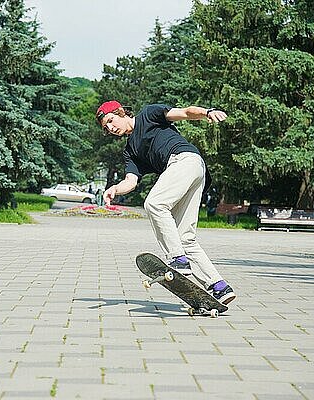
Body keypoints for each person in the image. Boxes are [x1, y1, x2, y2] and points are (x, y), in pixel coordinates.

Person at [96, 100, 235, 305]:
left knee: (154, 204)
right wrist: (115, 189)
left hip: (185, 160)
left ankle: (178, 259)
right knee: (185, 237)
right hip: (190, 171)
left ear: (121, 112)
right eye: (106, 127)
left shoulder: (148, 114)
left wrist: (207, 112)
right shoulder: (130, 151)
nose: (110, 127)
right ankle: (219, 286)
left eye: (111, 120)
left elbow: (186, 112)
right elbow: (131, 181)